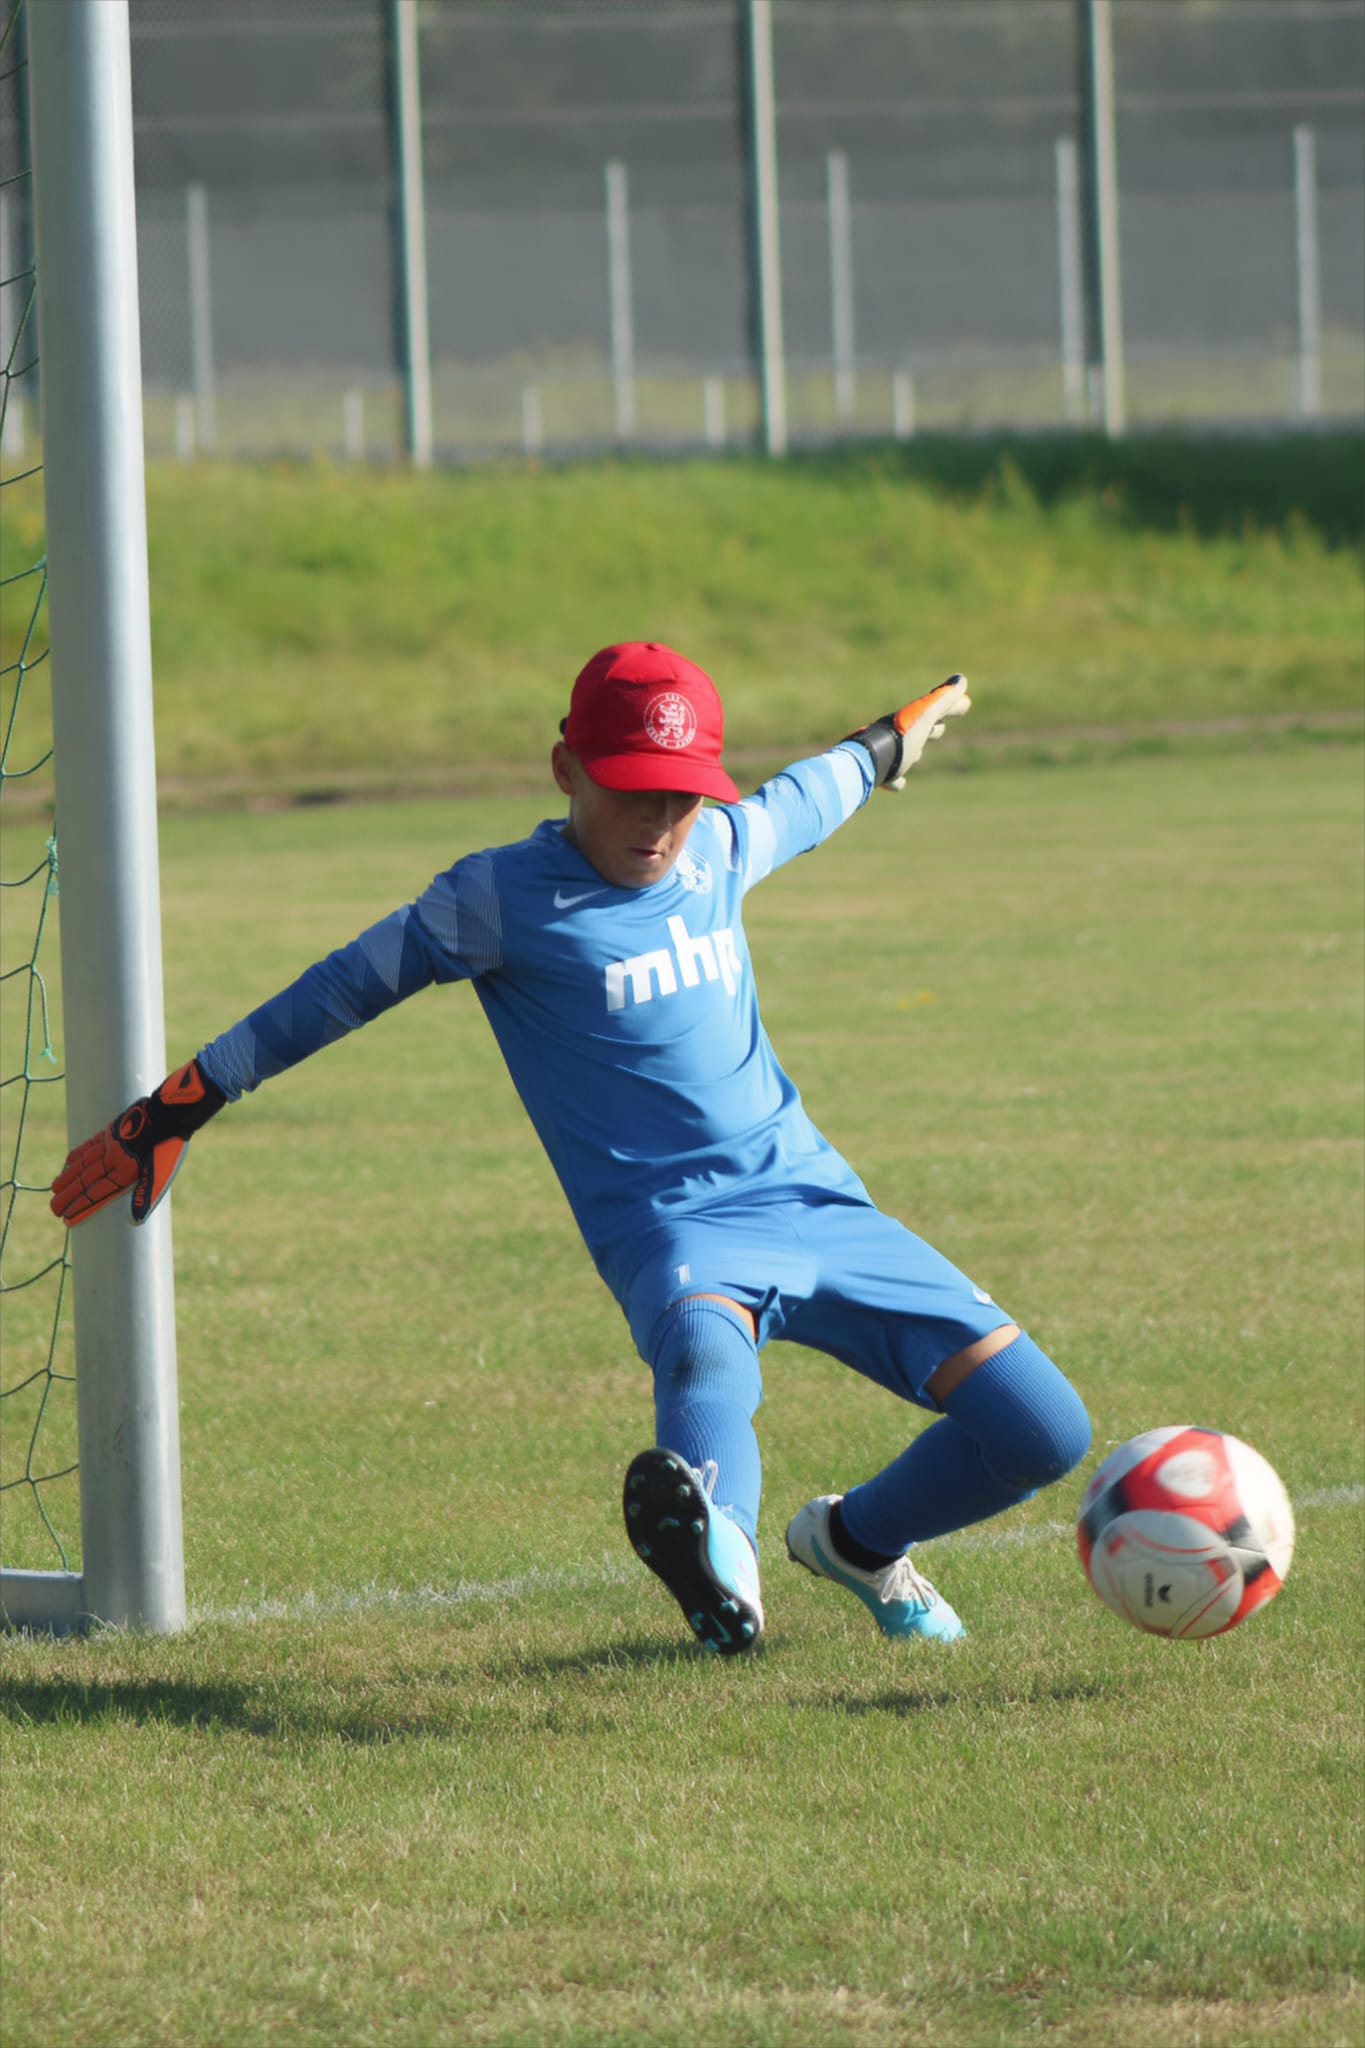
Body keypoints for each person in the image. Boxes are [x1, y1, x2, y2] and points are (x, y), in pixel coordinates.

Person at [52, 642, 1091, 1655]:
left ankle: (856, 1542)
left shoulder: (720, 844)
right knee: (702, 1355)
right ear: (567, 770)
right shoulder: (497, 898)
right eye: (634, 787)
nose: (661, 818)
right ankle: (718, 1556)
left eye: (683, 792)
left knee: (1046, 1430)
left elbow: (805, 796)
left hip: (817, 1201)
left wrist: (884, 744)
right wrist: (192, 1094)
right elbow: (339, 989)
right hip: (675, 1231)